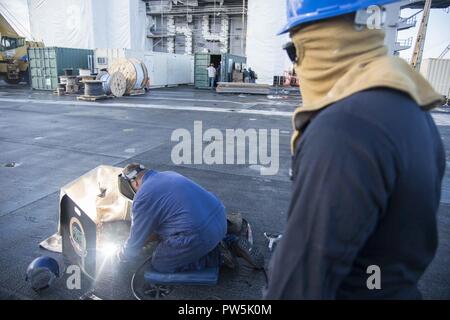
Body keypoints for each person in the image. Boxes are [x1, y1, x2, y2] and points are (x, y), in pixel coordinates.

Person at [264, 0, 445, 299]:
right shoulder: (413, 109)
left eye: (295, 51)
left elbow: (300, 282)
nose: (296, 65)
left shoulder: (344, 129)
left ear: (320, 37)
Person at [117, 163, 227, 272]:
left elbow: (136, 238)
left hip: (201, 235)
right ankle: (227, 240)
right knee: (170, 228)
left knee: (161, 262)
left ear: (134, 182)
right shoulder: (169, 174)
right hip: (221, 219)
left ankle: (216, 256)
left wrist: (124, 254)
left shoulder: (143, 196)